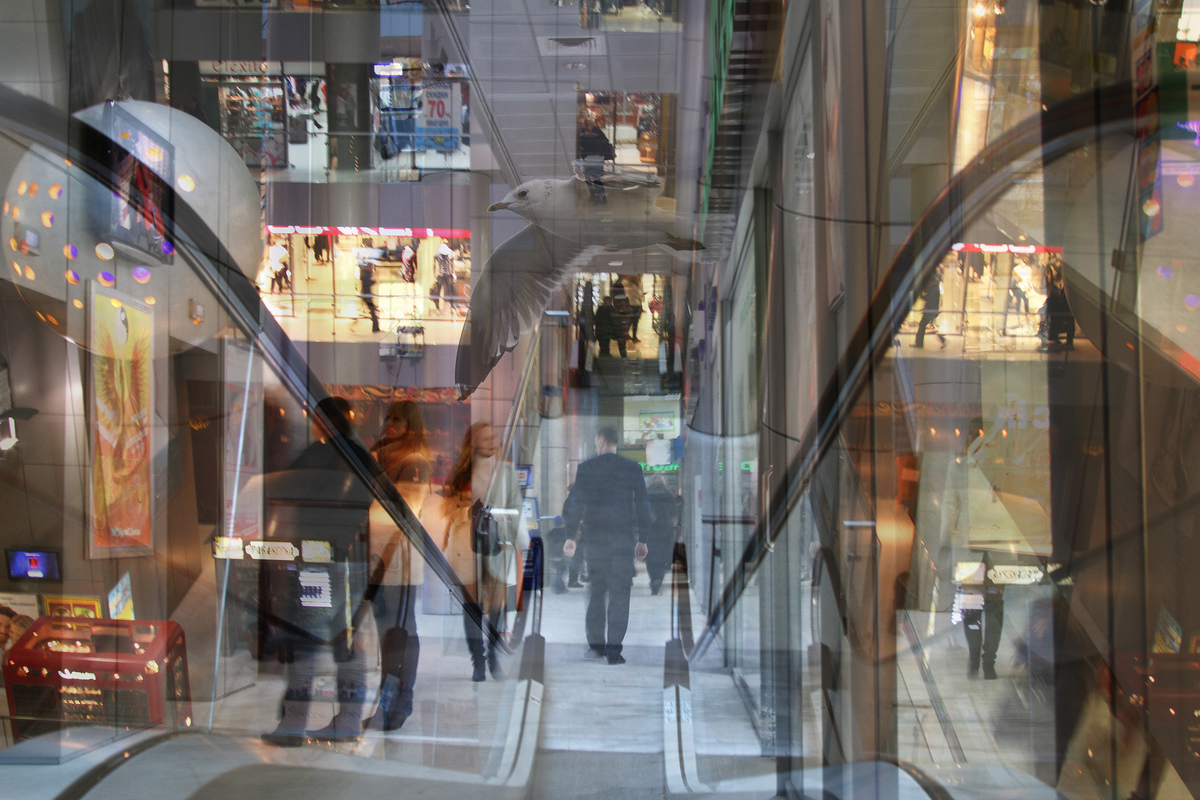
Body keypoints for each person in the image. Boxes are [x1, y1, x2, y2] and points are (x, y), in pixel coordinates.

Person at [262, 397, 373, 746]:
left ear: (324, 421)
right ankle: (350, 720)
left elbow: (284, 487)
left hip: (317, 559)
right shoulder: (362, 455)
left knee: (305, 638)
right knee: (348, 640)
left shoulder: (321, 453)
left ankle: (294, 723)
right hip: (353, 560)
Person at [562, 426, 652, 665]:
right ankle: (614, 650)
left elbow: (576, 504)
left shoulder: (586, 469)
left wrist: (571, 535)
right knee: (620, 593)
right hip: (623, 540)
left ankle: (596, 645)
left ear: (600, 440)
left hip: (596, 540)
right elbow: (643, 504)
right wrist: (643, 539)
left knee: (597, 590)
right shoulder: (632, 468)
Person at [444, 421, 525, 681]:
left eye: (494, 437)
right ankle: (478, 662)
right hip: (467, 546)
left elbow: (516, 507)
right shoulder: (461, 473)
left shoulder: (506, 472)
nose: (492, 442)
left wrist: (509, 536)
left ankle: (493, 657)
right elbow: (447, 506)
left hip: (498, 544)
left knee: (499, 606)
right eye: (486, 438)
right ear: (473, 442)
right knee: (473, 606)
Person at [366, 454, 432, 732]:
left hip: (399, 568)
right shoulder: (379, 488)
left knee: (398, 630)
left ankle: (397, 699)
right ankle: (394, 699)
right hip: (381, 568)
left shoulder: (411, 489)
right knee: (394, 630)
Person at [941, 417, 1005, 680]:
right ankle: (979, 658)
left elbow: (950, 505)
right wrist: (946, 541)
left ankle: (984, 660)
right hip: (976, 546)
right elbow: (950, 504)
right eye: (976, 436)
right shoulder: (959, 467)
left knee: (989, 604)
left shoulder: (997, 467)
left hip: (992, 546)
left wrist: (946, 541)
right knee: (978, 604)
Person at [370, 400, 432, 470]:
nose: (388, 423)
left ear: (410, 424)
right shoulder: (379, 447)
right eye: (387, 418)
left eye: (396, 419)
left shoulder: (415, 460)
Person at [644, 476, 678, 595]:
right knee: (663, 555)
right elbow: (674, 512)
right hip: (665, 529)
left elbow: (641, 510)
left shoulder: (647, 493)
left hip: (650, 529)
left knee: (651, 555)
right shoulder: (668, 494)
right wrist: (673, 525)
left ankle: (654, 579)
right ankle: (659, 577)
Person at [577, 119, 615, 203]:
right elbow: (605, 141)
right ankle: (598, 195)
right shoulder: (589, 131)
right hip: (593, 157)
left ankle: (597, 196)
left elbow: (581, 144)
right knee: (592, 178)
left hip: (592, 157)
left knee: (592, 178)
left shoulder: (591, 131)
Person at [913, 270, 946, 348]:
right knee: (923, 325)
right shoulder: (934, 289)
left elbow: (929, 300)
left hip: (930, 311)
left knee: (922, 325)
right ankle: (919, 343)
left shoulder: (934, 290)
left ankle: (919, 343)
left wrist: (922, 296)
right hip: (931, 311)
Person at [358, 238, 382, 332]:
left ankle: (375, 327)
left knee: (373, 313)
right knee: (373, 313)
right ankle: (375, 328)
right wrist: (375, 281)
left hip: (366, 296)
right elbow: (369, 284)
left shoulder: (365, 275)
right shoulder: (365, 276)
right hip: (367, 296)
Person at [545, 516, 570, 593]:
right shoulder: (563, 532)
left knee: (559, 570)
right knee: (561, 570)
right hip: (561, 554)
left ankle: (561, 587)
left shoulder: (551, 532)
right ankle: (556, 585)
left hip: (553, 555)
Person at [432, 240, 457, 311]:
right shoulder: (438, 253)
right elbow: (434, 264)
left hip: (446, 274)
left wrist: (453, 273)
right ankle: (438, 306)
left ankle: (450, 306)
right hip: (442, 274)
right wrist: (434, 274)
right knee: (439, 290)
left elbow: (452, 264)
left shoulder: (448, 252)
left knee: (448, 290)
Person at [622, 276, 645, 343]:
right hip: (636, 306)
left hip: (631, 304)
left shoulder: (627, 286)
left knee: (631, 321)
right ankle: (634, 337)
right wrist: (642, 294)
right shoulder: (634, 286)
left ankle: (625, 334)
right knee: (635, 322)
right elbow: (638, 295)